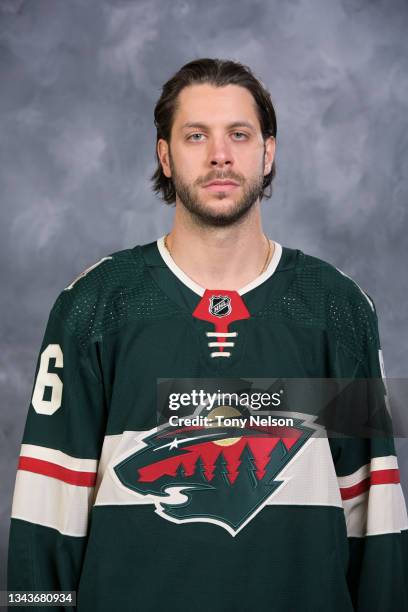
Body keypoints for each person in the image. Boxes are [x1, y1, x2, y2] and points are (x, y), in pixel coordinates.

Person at [7, 58, 408, 611]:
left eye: (239, 135)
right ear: (165, 156)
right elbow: (45, 514)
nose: (220, 154)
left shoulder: (337, 308)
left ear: (269, 152)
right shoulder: (94, 305)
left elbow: (377, 517)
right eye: (196, 136)